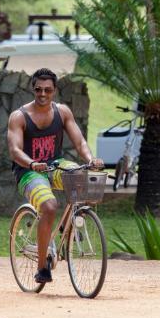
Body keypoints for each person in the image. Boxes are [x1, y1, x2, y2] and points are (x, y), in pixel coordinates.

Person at [7, 67, 102, 284]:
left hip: (55, 165)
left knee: (81, 177)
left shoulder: (62, 112)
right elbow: (14, 150)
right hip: (28, 172)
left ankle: (66, 230)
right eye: (38, 90)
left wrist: (90, 159)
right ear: (33, 89)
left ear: (55, 90)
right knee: (49, 206)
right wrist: (32, 163)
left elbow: (79, 142)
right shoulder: (19, 117)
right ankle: (42, 267)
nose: (42, 94)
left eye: (47, 90)